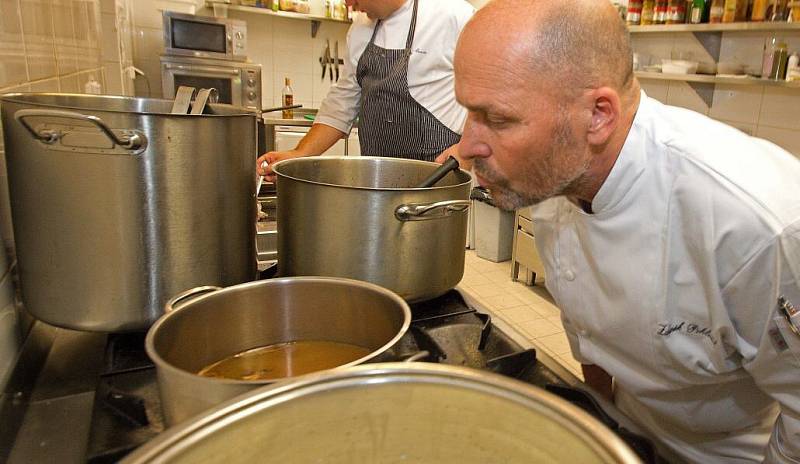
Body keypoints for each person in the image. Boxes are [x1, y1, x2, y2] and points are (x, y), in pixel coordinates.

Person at [454, 0, 800, 462]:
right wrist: (604, 423)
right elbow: (587, 332)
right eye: (468, 112)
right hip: (630, 435)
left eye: (497, 119)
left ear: (598, 115)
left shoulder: (757, 225)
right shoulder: (560, 174)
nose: (465, 146)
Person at [257, 0, 474, 181]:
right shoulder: (360, 28)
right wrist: (298, 155)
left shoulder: (453, 16)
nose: (348, 3)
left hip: (439, 179)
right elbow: (341, 105)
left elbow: (494, 94)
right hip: (377, 184)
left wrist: (467, 148)